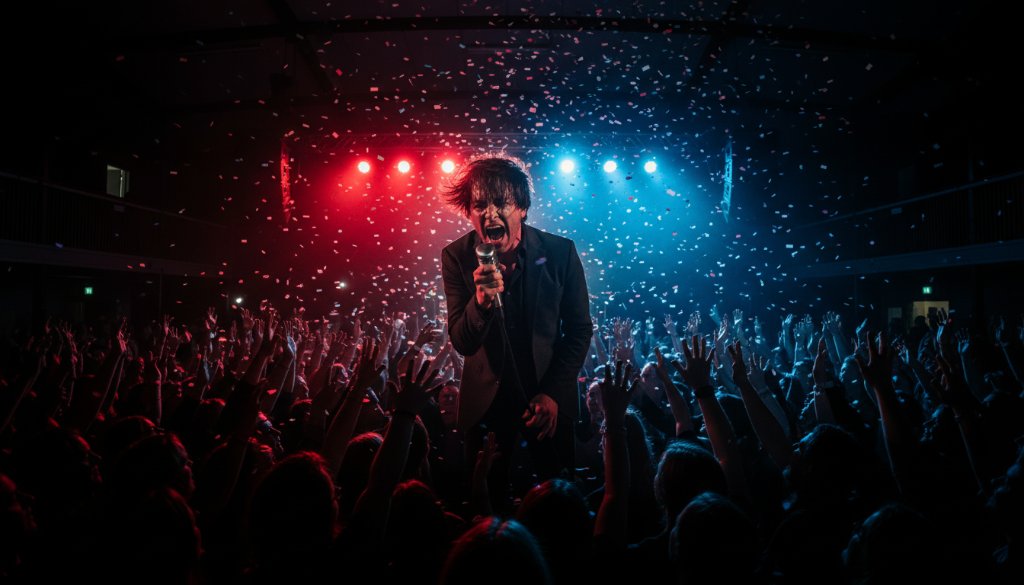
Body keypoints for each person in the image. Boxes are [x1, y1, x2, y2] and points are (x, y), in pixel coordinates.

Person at [440, 155, 592, 487]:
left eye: (500, 203)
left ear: (521, 207)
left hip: (547, 403)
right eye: (479, 205)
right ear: (468, 212)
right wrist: (480, 302)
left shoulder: (559, 252)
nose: (489, 214)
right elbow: (463, 342)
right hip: (488, 408)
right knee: (486, 510)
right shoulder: (457, 257)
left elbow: (580, 329)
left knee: (558, 502)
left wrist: (552, 393)